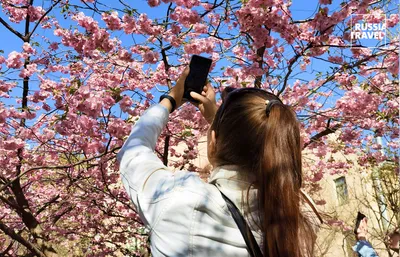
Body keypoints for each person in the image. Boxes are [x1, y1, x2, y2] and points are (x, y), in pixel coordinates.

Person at [117, 67, 322, 256]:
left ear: (213, 141)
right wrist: (220, 124)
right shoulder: (295, 223)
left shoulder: (184, 201)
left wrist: (170, 99)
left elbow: (134, 151)